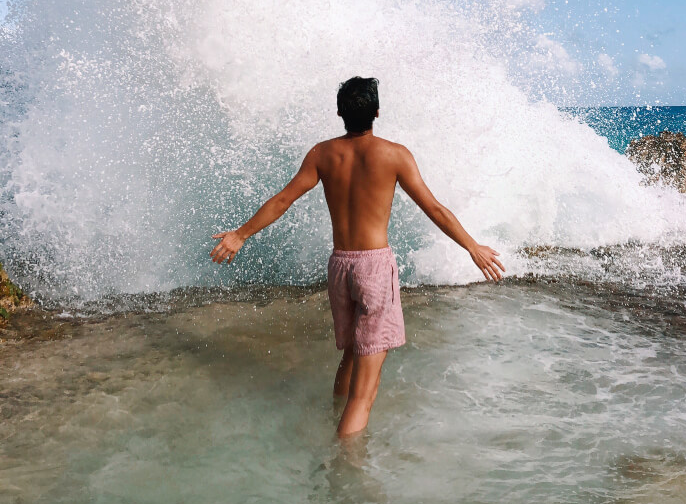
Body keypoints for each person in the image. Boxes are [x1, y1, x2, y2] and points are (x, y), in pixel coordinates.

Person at [210, 76, 504, 437]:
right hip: (374, 268)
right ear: (377, 112)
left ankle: (330, 418)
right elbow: (435, 209)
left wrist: (240, 234)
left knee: (351, 353)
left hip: (340, 266)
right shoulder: (394, 155)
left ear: (339, 113)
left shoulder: (322, 154)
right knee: (363, 396)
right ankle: (345, 472)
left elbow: (284, 200)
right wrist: (472, 246)